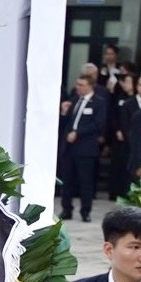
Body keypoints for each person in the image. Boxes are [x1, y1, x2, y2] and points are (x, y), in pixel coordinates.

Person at [59, 75, 105, 221]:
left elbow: (98, 124)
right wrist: (64, 112)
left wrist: (78, 133)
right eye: (77, 84)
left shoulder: (98, 103)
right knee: (67, 179)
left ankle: (86, 211)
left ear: (90, 86)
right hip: (70, 148)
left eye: (81, 84)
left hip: (86, 148)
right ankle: (66, 209)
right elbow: (65, 123)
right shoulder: (74, 101)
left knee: (85, 181)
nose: (77, 87)